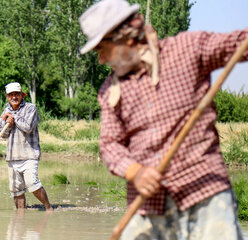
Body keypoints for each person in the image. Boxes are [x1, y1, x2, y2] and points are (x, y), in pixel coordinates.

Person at [79, 0, 247, 239]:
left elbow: (238, 44)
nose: (101, 60)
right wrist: (135, 172)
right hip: (149, 205)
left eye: (102, 49)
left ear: (125, 38)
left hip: (205, 192)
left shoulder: (187, 49)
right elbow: (109, 145)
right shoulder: (109, 90)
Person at [0, 82, 52, 211]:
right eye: (11, 95)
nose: (14, 97)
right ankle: (20, 216)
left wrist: (13, 117)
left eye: (16, 94)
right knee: (16, 189)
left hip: (29, 154)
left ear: (22, 95)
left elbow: (27, 127)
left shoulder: (30, 108)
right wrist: (8, 124)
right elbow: (2, 134)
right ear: (7, 97)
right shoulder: (5, 112)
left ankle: (48, 209)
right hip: (13, 156)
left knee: (32, 183)